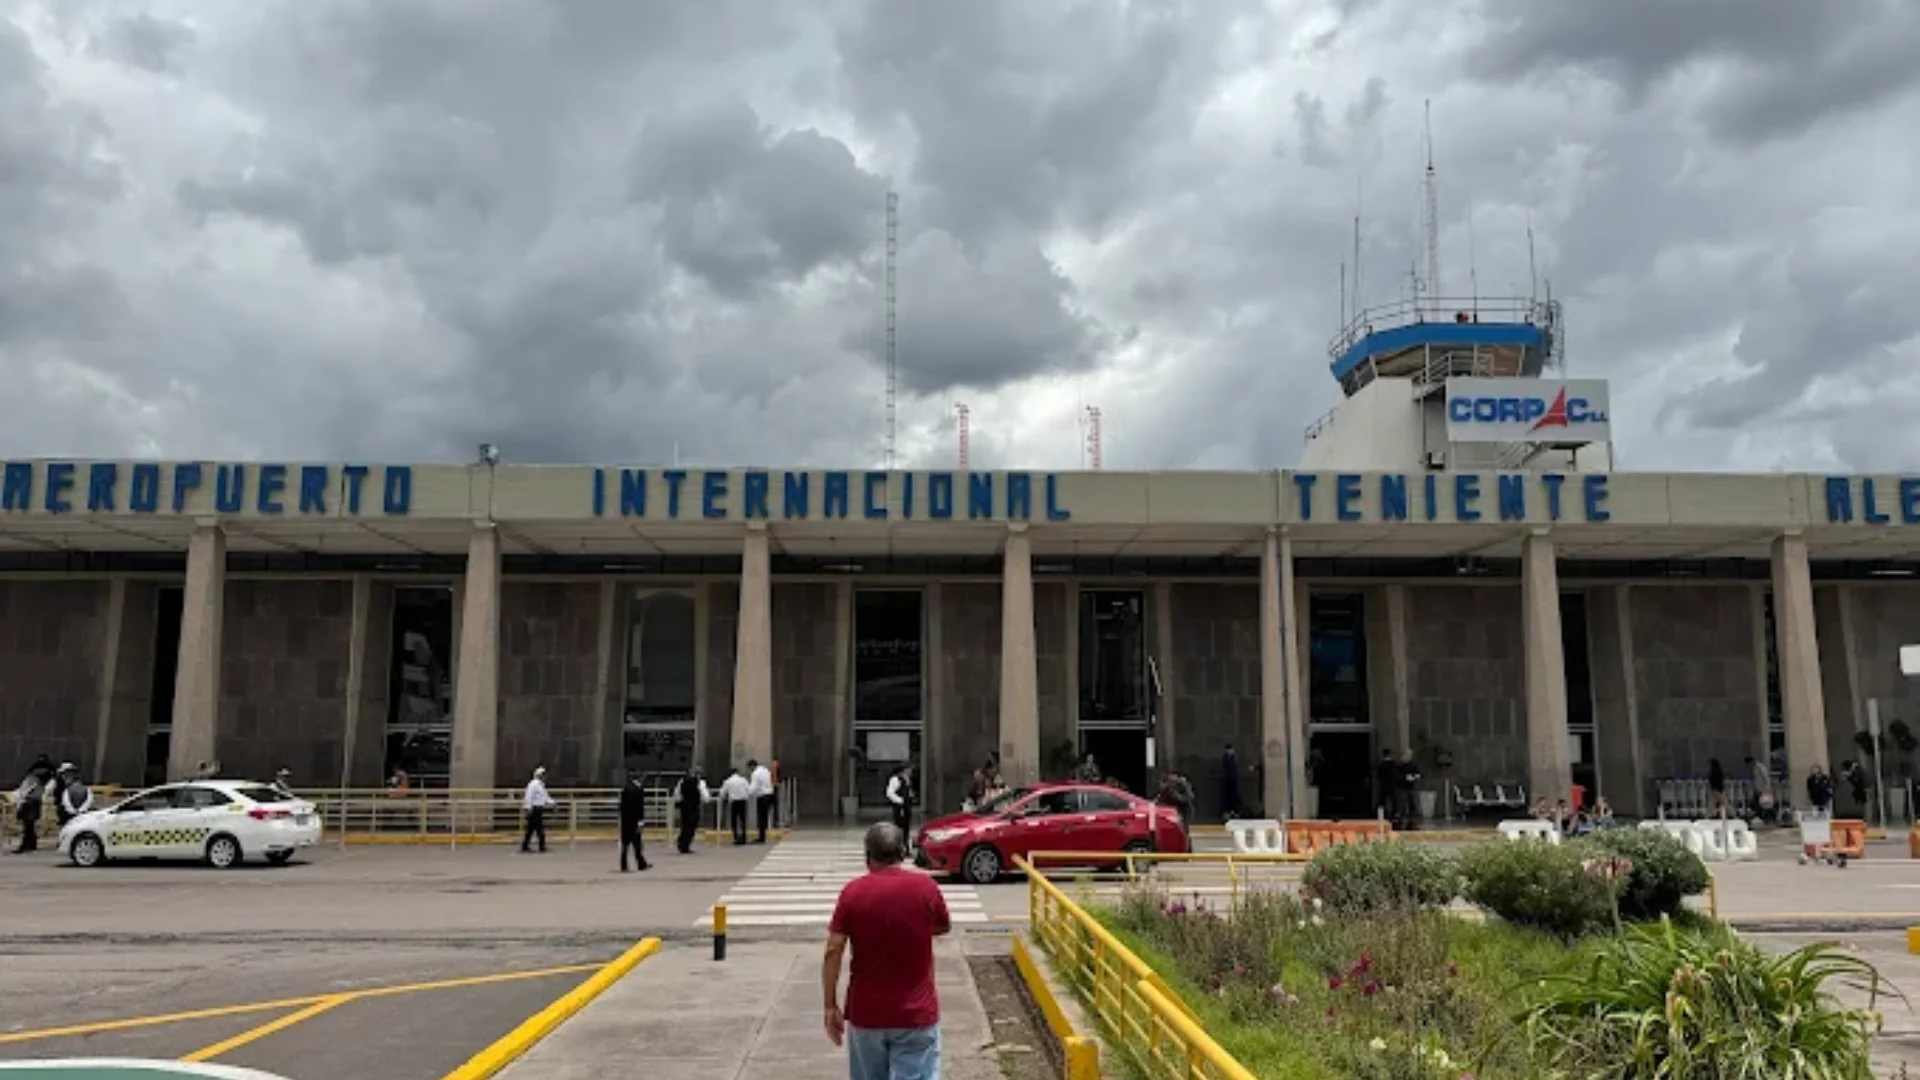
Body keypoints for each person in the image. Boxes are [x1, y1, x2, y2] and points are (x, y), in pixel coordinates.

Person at [823, 823, 950, 1080]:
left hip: (867, 1014)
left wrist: (829, 1005)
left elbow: (833, 949)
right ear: (903, 853)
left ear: (868, 857)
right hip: (916, 1013)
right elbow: (940, 926)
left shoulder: (853, 893)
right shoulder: (925, 888)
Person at [11, 756, 54, 854]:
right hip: (34, 801)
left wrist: (20, 799)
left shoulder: (32, 779)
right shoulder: (45, 780)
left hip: (28, 802)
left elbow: (23, 791)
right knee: (30, 825)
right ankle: (31, 844)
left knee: (27, 825)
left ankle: (26, 845)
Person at [1155, 770, 1195, 850]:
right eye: (1170, 780)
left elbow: (1190, 797)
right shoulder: (1167, 788)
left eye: (1174, 779)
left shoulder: (1183, 785)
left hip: (1184, 811)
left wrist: (1177, 795)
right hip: (1171, 812)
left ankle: (1187, 849)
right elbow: (1160, 800)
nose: (1172, 782)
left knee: (1184, 830)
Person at [618, 773, 650, 872]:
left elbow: (621, 806)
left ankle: (624, 864)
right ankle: (641, 863)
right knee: (637, 843)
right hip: (635, 820)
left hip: (626, 820)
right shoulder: (638, 790)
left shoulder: (626, 788)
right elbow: (639, 808)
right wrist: (641, 821)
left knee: (625, 844)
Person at [675, 767, 712, 854]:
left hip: (684, 806)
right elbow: (705, 796)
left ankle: (682, 843)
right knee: (692, 826)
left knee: (684, 825)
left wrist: (678, 802)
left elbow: (677, 793)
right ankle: (685, 844)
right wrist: (706, 800)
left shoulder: (682, 781)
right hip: (694, 806)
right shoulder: (700, 783)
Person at [521, 766, 554, 853]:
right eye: (543, 775)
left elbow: (545, 797)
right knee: (538, 829)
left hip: (538, 809)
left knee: (531, 829)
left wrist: (552, 803)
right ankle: (540, 846)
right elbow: (529, 797)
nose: (545, 777)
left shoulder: (541, 785)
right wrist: (528, 808)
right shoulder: (533, 784)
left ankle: (526, 846)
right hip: (534, 809)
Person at [719, 767, 751, 845]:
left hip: (734, 802)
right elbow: (748, 790)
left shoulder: (728, 781)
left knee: (734, 820)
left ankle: (736, 837)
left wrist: (723, 798)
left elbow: (722, 792)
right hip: (743, 801)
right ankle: (743, 836)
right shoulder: (743, 780)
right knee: (743, 820)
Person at [748, 758, 775, 843]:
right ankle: (764, 834)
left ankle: (761, 837)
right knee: (766, 817)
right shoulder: (765, 770)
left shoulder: (755, 774)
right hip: (770, 794)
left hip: (762, 796)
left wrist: (746, 793)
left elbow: (753, 787)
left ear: (752, 766)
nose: (750, 771)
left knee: (761, 817)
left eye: (750, 768)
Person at [1395, 749, 1422, 830]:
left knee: (1413, 806)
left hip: (1411, 788)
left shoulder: (1413, 765)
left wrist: (1416, 776)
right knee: (1402, 807)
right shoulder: (1398, 766)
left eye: (1410, 755)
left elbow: (1418, 773)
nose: (1409, 757)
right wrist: (1405, 778)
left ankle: (1412, 823)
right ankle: (1402, 823)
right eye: (1408, 755)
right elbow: (1396, 777)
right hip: (1402, 788)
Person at [885, 765, 914, 837]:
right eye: (909, 770)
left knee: (906, 825)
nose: (911, 772)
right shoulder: (896, 779)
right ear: (904, 770)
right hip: (900, 806)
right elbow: (890, 793)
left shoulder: (908, 780)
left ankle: (905, 841)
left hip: (907, 806)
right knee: (899, 825)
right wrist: (900, 801)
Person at [1373, 749, 1396, 821]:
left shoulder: (1382, 764)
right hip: (1391, 785)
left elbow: (1378, 775)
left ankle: (1379, 814)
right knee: (1393, 800)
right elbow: (1396, 774)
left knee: (1381, 801)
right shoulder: (1393, 764)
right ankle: (1394, 814)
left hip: (1383, 784)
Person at [1220, 743, 1241, 821]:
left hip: (1232, 780)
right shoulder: (1227, 758)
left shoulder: (1232, 758)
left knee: (1233, 797)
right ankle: (1229, 812)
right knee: (1229, 797)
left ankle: (1232, 812)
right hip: (1229, 781)